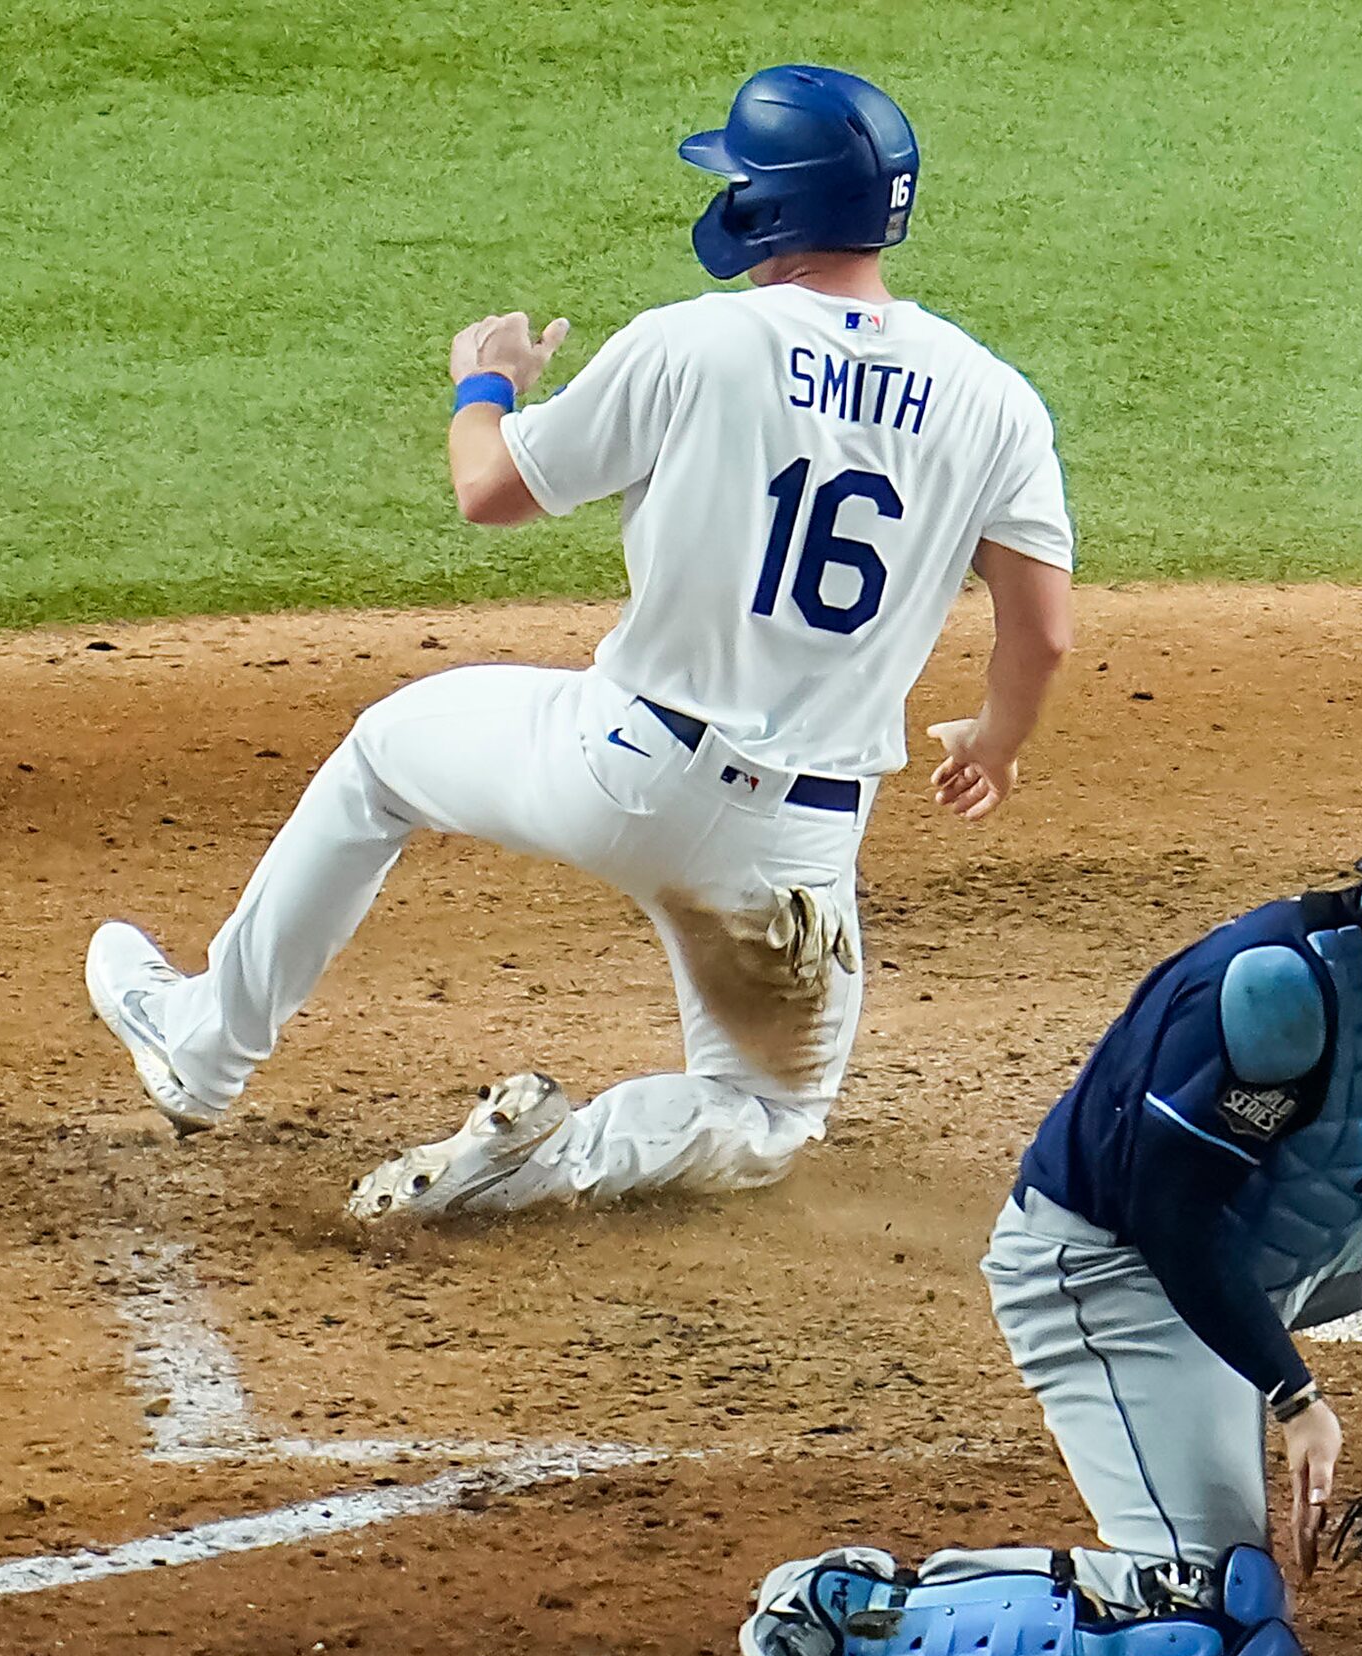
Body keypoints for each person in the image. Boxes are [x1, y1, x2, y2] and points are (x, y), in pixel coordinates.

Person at [83, 65, 1074, 1221]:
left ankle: (204, 1047)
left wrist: (487, 382)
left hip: (616, 765)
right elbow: (1042, 631)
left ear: (768, 207)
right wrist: (993, 741)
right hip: (793, 846)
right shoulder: (994, 398)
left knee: (380, 761)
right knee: (766, 1114)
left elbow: (491, 489)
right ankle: (548, 1160)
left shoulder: (695, 344)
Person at [738, 771, 1362, 1656]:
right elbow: (1172, 1216)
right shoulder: (1279, 992)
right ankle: (851, 1609)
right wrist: (1298, 1394)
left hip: (1298, 1250)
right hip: (1115, 1270)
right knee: (1203, 1640)